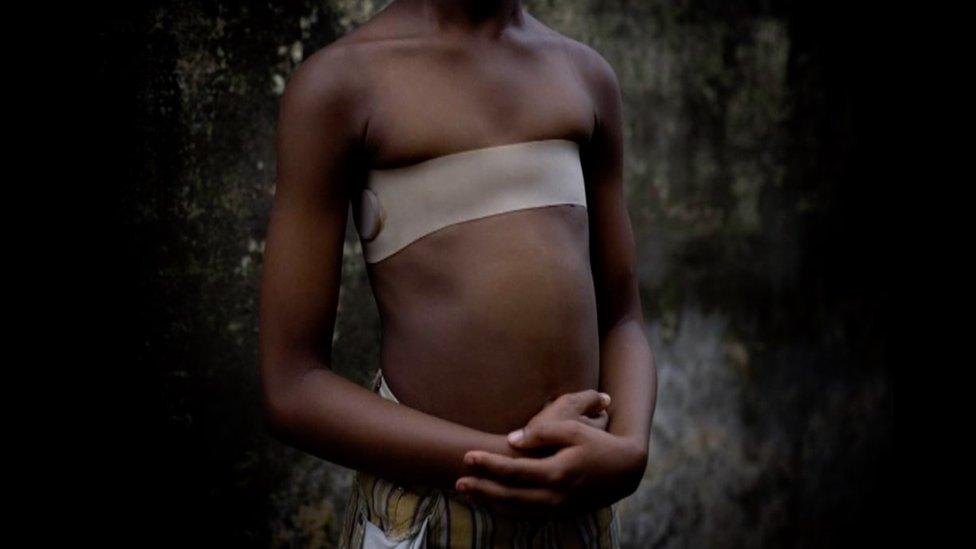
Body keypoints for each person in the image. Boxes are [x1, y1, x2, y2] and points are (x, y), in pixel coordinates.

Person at [258, 0, 658, 546]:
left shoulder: (583, 75)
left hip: (579, 515)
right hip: (431, 515)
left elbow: (623, 319)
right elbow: (292, 385)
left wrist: (629, 448)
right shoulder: (342, 84)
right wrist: (513, 463)